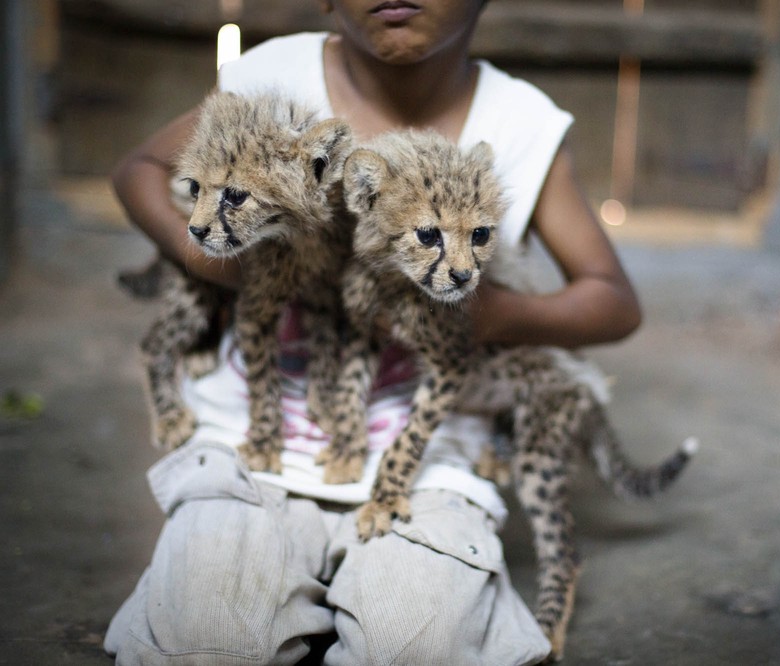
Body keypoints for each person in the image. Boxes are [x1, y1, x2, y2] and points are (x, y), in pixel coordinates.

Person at [104, 1, 642, 664]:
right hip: (250, 453)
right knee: (206, 642)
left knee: (424, 648)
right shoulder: (271, 79)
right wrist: (232, 268)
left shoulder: (521, 123)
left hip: (432, 468)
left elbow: (615, 301)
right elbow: (139, 172)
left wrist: (485, 312)